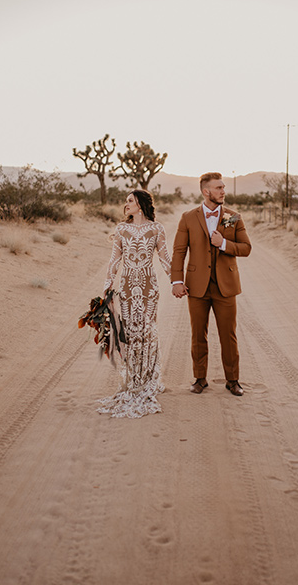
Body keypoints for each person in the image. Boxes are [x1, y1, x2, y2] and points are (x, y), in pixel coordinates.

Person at [171, 172, 251, 396]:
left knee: (229, 335)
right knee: (198, 334)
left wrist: (224, 243)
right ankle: (200, 378)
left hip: (225, 286)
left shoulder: (233, 217)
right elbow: (179, 251)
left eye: (223, 187)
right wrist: (177, 281)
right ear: (206, 192)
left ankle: (233, 380)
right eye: (218, 188)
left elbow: (246, 248)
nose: (223, 191)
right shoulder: (188, 217)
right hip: (197, 286)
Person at [98, 190, 171, 418]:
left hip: (149, 287)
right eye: (126, 201)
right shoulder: (122, 229)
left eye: (130, 201)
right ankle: (133, 379)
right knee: (130, 332)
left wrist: (179, 281)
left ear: (140, 204)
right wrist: (108, 284)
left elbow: (165, 258)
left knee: (147, 331)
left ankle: (148, 379)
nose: (126, 204)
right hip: (128, 287)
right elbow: (115, 259)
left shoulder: (156, 229)